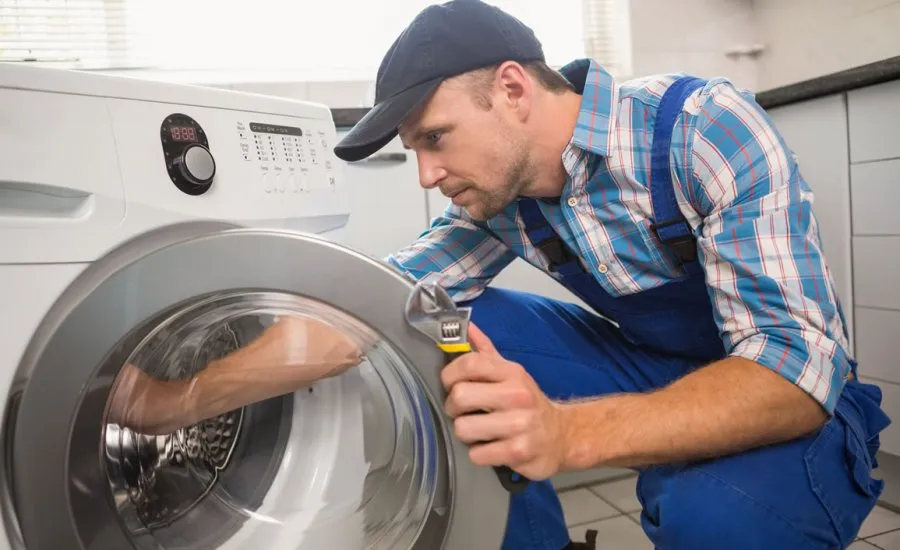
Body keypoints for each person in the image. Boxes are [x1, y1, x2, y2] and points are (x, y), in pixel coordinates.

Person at [108, 1, 889, 549]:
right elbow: (364, 318)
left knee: (710, 518)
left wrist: (566, 433)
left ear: (513, 90)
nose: (425, 173)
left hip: (793, 395)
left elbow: (795, 368)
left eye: (435, 137)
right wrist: (174, 399)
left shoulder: (700, 130)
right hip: (658, 367)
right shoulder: (498, 200)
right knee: (446, 331)